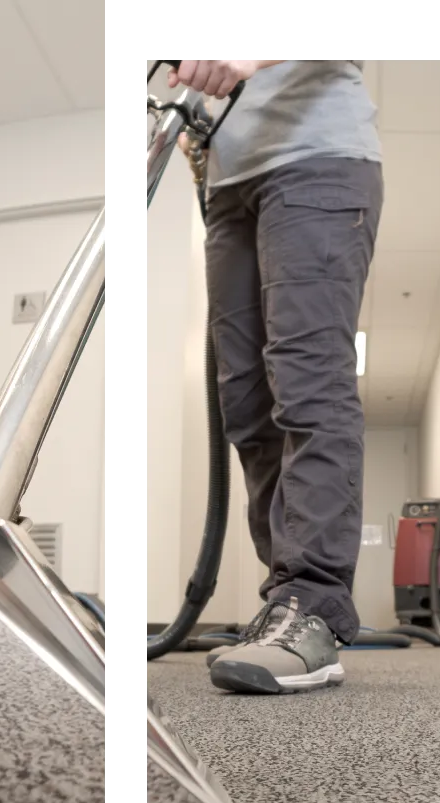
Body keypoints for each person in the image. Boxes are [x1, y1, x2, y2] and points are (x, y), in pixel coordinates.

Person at [169, 57, 383, 695]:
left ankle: (313, 605)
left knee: (308, 381)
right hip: (231, 187)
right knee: (246, 403)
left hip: (318, 158)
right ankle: (284, 602)